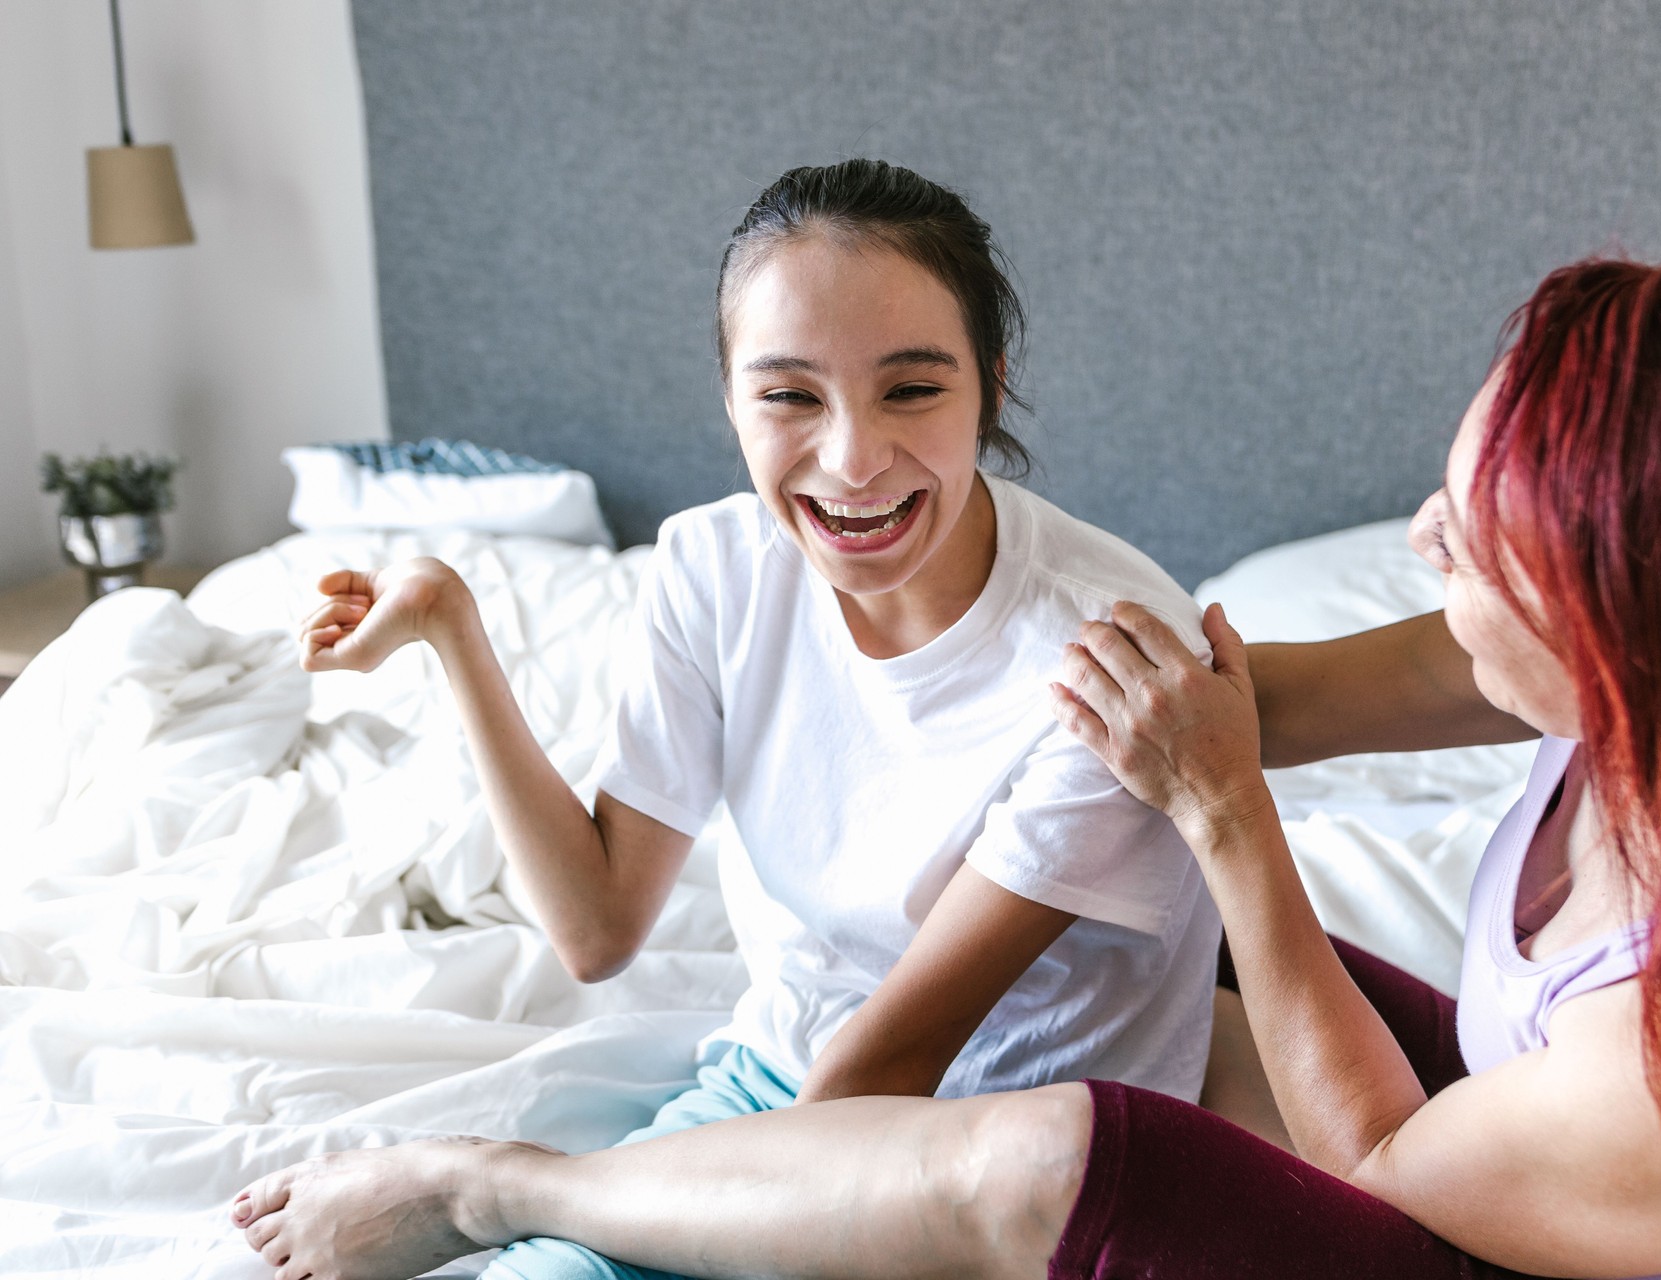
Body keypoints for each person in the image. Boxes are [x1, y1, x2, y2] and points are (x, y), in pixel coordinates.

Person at [233, 247, 1661, 1278]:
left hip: (1573, 1248)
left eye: (1480, 549)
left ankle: (492, 1185)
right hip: (1545, 1148)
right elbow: (1265, 698)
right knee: (1172, 962)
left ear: (1639, 628)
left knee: (1055, 1152)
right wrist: (1122, 700)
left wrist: (1222, 811)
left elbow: (1398, 1158)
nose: (1421, 547)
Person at [234, 159, 1219, 1280]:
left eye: (911, 390)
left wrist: (498, 1187)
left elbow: (890, 1070)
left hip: (1000, 1178)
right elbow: (597, 927)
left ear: (988, 387)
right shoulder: (712, 568)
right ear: (730, 398)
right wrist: (452, 631)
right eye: (790, 395)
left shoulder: (1107, 649)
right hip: (778, 1084)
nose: (852, 460)